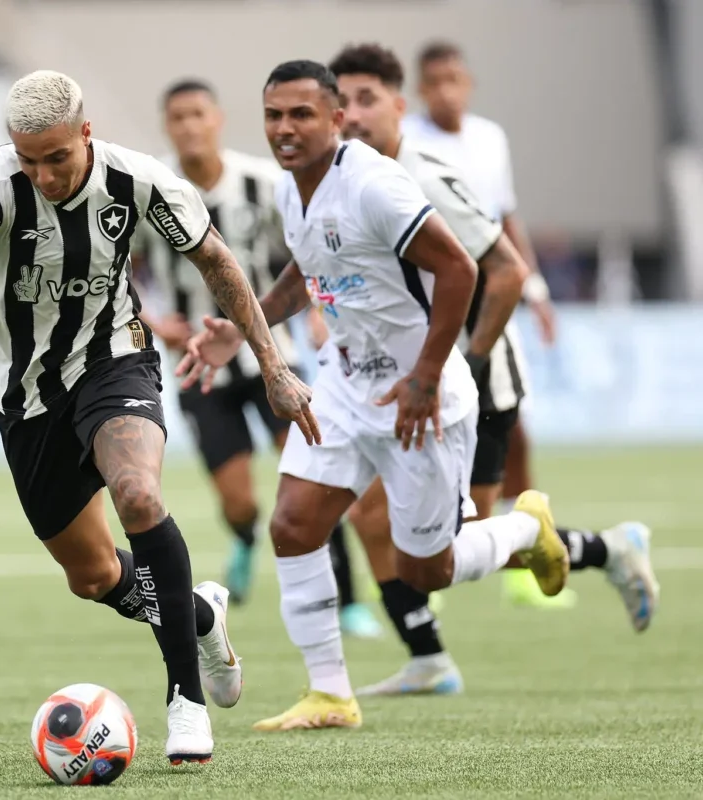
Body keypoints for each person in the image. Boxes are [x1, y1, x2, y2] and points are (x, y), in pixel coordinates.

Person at [0, 70, 316, 764]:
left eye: (56, 158)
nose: (44, 175)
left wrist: (273, 365)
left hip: (114, 362)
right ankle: (201, 614)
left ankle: (186, 703)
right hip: (25, 401)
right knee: (91, 577)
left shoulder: (138, 180)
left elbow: (218, 263)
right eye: (28, 160)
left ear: (85, 134)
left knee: (140, 494)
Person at [177, 59, 569, 732]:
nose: (285, 128)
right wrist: (243, 330)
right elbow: (307, 272)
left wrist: (425, 374)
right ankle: (331, 694)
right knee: (294, 524)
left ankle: (526, 530)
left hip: (420, 394)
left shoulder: (375, 185)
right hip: (346, 382)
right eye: (274, 115)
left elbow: (459, 269)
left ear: (335, 119)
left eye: (302, 114)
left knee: (428, 569)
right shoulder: (288, 191)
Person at [326, 43, 660, 696]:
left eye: (367, 99)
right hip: (402, 376)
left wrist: (463, 366)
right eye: (343, 103)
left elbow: (506, 268)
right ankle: (427, 656)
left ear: (400, 105)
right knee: (368, 515)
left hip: (471, 379)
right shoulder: (344, 178)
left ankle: (607, 547)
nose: (353, 115)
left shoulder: (426, 172)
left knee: (455, 546)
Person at [402, 41, 656, 612]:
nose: (445, 90)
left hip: (478, 314)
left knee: (504, 438)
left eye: (454, 79)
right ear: (417, 91)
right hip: (420, 315)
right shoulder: (399, 146)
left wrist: (535, 289)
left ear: (467, 82)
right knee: (408, 458)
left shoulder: (488, 139)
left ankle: (434, 580)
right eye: (434, 81)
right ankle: (415, 584)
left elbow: (502, 216)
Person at [135, 78, 381, 636]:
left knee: (313, 476)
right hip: (201, 365)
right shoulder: (153, 192)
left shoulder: (262, 184)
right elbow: (115, 269)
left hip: (275, 358)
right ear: (167, 127)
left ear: (217, 119)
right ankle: (245, 537)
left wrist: (318, 313)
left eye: (198, 114)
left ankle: (347, 601)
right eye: (178, 118)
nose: (190, 126)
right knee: (239, 500)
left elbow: (308, 252)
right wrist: (153, 320)